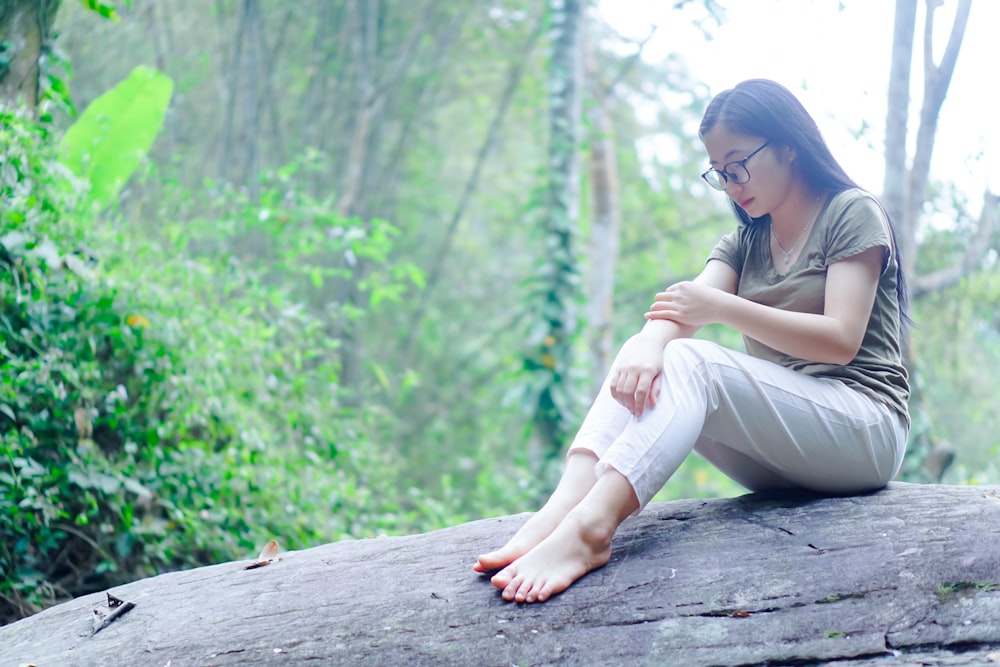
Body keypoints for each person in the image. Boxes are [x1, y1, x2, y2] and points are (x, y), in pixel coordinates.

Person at [473, 78, 910, 604]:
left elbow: (841, 341)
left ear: (789, 146)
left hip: (864, 430)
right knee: (659, 357)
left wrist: (724, 311)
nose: (730, 184)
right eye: (719, 172)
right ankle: (559, 512)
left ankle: (591, 531)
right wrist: (645, 342)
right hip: (788, 451)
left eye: (738, 164)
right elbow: (683, 308)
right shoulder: (747, 240)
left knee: (692, 363)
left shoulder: (850, 212)